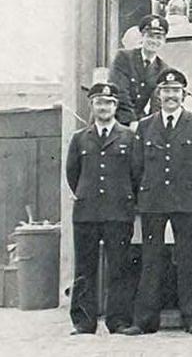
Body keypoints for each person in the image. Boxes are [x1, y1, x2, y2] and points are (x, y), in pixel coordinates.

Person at [123, 69, 192, 335]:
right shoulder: (145, 126)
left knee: (188, 258)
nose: (171, 95)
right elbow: (137, 166)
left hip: (185, 200)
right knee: (151, 259)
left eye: (175, 91)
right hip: (153, 200)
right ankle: (145, 320)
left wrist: (189, 187)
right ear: (158, 94)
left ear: (184, 94)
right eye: (166, 90)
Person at [66, 82, 139, 335]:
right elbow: (73, 174)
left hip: (118, 212)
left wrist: (126, 198)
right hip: (87, 212)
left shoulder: (129, 137)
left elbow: (136, 173)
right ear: (92, 106)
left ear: (116, 107)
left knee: (119, 268)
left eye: (108, 103)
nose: (104, 107)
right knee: (84, 269)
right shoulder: (79, 138)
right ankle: (83, 322)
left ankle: (118, 321)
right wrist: (86, 195)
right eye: (99, 102)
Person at [109, 14, 171, 127]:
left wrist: (151, 127)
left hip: (140, 122)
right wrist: (131, 121)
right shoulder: (124, 58)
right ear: (142, 36)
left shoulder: (163, 69)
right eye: (150, 36)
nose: (154, 41)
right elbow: (120, 92)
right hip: (114, 119)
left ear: (164, 41)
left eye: (159, 38)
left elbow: (157, 104)